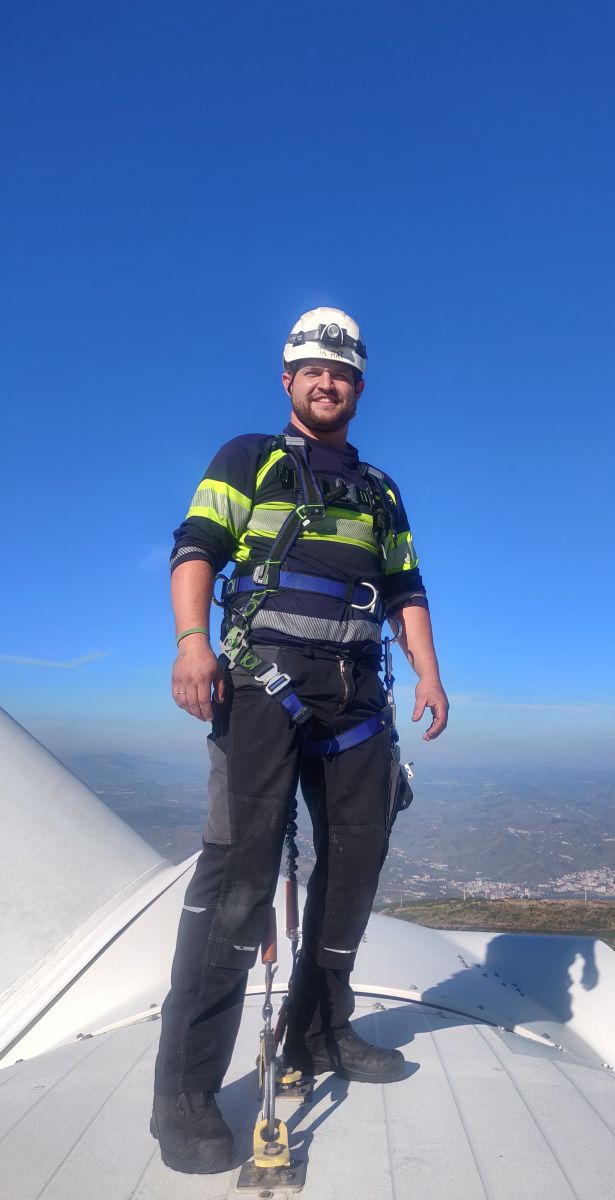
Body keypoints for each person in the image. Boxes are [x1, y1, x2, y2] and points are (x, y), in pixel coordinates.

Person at [150, 307, 449, 1174]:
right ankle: (185, 1089)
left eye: (343, 372)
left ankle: (318, 1030)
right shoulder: (248, 458)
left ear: (359, 386)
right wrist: (191, 643)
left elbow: (406, 588)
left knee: (356, 864)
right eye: (314, 370)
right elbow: (197, 547)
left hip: (359, 694)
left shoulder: (380, 489)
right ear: (288, 381)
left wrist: (428, 672)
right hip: (263, 684)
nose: (329, 382)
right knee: (241, 873)